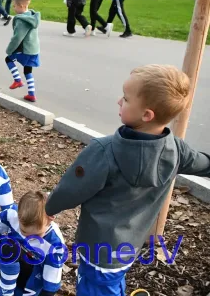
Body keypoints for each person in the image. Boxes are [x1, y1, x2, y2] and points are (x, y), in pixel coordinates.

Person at [45, 64, 210, 295]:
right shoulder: (177, 150)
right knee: (111, 281)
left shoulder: (104, 151)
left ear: (146, 115)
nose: (119, 102)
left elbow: (71, 190)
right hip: (129, 246)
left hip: (97, 247)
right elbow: (204, 163)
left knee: (94, 287)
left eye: (125, 98)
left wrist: (48, 208)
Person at [5, 0, 40, 103]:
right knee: (28, 70)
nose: (13, 8)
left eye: (14, 6)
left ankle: (17, 80)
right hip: (34, 50)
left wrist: (9, 50)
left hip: (25, 49)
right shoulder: (32, 16)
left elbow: (17, 37)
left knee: (8, 59)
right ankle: (31, 94)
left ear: (21, 6)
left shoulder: (21, 20)